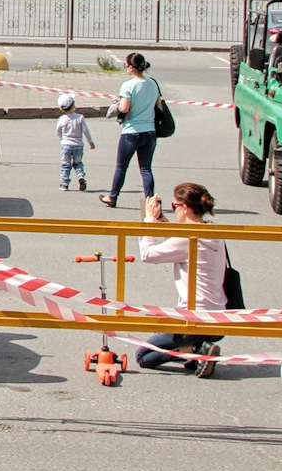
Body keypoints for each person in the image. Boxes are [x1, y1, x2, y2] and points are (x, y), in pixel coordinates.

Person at [135, 182, 227, 375]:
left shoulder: (187, 239)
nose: (173, 211)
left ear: (184, 208)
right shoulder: (214, 232)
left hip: (194, 320)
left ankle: (196, 350)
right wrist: (165, 225)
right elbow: (183, 240)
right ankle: (197, 350)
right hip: (220, 319)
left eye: (174, 206)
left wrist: (149, 220)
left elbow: (148, 254)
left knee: (143, 356)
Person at [100, 51, 159, 208]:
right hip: (150, 131)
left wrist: (117, 104)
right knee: (146, 169)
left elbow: (124, 108)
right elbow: (158, 104)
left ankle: (112, 196)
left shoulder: (128, 86)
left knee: (121, 166)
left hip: (131, 131)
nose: (125, 67)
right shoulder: (153, 83)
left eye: (125, 65)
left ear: (132, 68)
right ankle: (150, 201)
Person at [54, 92, 95, 191]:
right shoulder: (80, 117)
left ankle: (64, 183)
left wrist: (63, 139)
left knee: (66, 164)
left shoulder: (62, 119)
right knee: (78, 163)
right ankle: (80, 175)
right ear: (73, 105)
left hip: (66, 145)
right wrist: (90, 142)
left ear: (61, 108)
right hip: (78, 145)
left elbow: (57, 131)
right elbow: (86, 130)